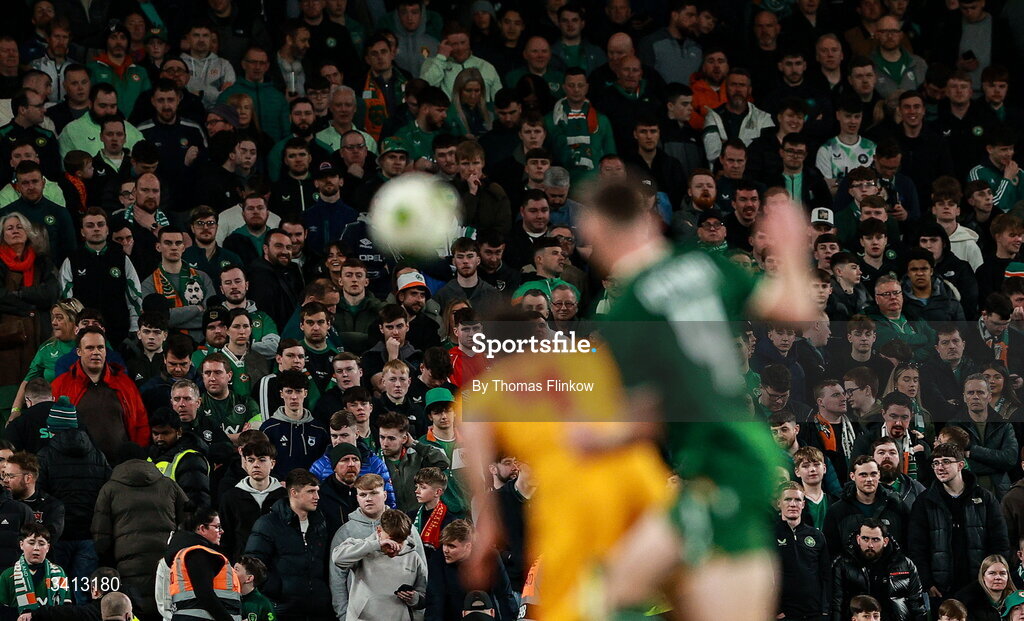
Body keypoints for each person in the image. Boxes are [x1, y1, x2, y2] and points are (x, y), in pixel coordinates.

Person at [908, 443, 1012, 602]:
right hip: (941, 589)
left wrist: (991, 578)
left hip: (980, 586)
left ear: (960, 465)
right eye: (936, 463)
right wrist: (927, 582)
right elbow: (917, 546)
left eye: (946, 462)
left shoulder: (985, 498)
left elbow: (1000, 542)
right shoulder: (924, 501)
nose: (940, 467)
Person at [91, 457, 187, 621]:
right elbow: (188, 520)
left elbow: (101, 535)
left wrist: (109, 560)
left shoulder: (110, 488)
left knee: (136, 610)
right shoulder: (169, 485)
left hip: (129, 565)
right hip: (166, 563)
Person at [49, 327, 149, 462]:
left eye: (100, 348)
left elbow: (141, 423)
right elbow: (51, 428)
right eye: (90, 348)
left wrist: (137, 457)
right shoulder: (60, 385)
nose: (96, 352)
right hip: (79, 467)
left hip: (121, 466)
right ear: (79, 351)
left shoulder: (125, 383)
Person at [244, 468, 331, 621]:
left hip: (318, 608)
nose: (316, 496)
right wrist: (276, 591)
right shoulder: (268, 524)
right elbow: (252, 564)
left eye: (317, 491)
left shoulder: (320, 523)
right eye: (310, 491)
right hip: (283, 609)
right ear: (293, 492)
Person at [832, 519, 927, 621]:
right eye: (865, 539)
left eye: (875, 540)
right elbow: (836, 604)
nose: (870, 545)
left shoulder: (904, 564)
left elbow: (916, 603)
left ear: (885, 541)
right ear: (858, 539)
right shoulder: (843, 564)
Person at [425, 520, 517, 621]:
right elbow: (435, 600)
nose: (445, 550)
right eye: (444, 544)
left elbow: (505, 595)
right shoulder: (437, 559)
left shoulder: (489, 556)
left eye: (451, 546)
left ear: (468, 546)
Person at [165, 508, 241, 621]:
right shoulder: (199, 553)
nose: (222, 531)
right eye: (217, 527)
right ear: (202, 529)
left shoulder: (185, 553)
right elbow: (205, 594)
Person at [774, 482, 830, 621]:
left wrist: (824, 610)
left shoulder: (816, 536)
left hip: (814, 613)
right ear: (779, 503)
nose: (793, 504)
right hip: (784, 615)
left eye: (798, 499)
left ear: (803, 504)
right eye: (788, 499)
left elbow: (826, 575)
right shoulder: (768, 535)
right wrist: (777, 610)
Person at [0, 523, 70, 614]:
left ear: (48, 548)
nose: (36, 548)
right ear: (21, 545)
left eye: (41, 544)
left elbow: (67, 606)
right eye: (31, 543)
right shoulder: (7, 575)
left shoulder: (60, 573)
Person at [3, 452, 64, 544]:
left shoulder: (52, 506)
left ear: (28, 479)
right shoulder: (3, 503)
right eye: (4, 475)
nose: (5, 480)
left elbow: (47, 540)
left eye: (10, 476)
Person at [953, 554, 1016, 621]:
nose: (998, 577)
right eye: (992, 573)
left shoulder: (1016, 601)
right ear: (983, 576)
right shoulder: (967, 603)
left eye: (1002, 573)